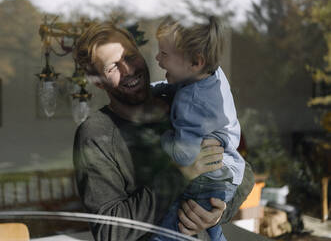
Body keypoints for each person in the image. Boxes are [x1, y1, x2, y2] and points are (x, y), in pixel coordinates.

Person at [73, 21, 255, 241]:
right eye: (112, 67)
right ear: (98, 82)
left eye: (130, 57)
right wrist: (178, 175)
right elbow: (109, 232)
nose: (128, 70)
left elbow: (242, 171)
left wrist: (216, 212)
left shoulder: (181, 97)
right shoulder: (95, 134)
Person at [150, 17, 245, 241]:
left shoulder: (190, 102)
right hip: (222, 178)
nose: (157, 59)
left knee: (167, 230)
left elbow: (184, 155)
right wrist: (153, 90)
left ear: (196, 62)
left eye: (164, 54)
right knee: (211, 227)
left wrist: (160, 137)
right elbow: (174, 87)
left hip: (207, 180)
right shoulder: (206, 78)